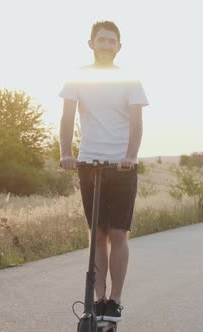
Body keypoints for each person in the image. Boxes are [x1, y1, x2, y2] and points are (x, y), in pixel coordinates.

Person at [59, 20, 148, 322]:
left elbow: (136, 124)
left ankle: (116, 300)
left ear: (119, 47)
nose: (106, 45)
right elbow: (67, 117)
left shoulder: (130, 81)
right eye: (102, 40)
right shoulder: (77, 79)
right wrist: (66, 153)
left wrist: (130, 156)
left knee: (118, 233)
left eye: (112, 41)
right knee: (97, 234)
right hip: (89, 163)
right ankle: (98, 299)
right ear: (91, 43)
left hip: (121, 165)